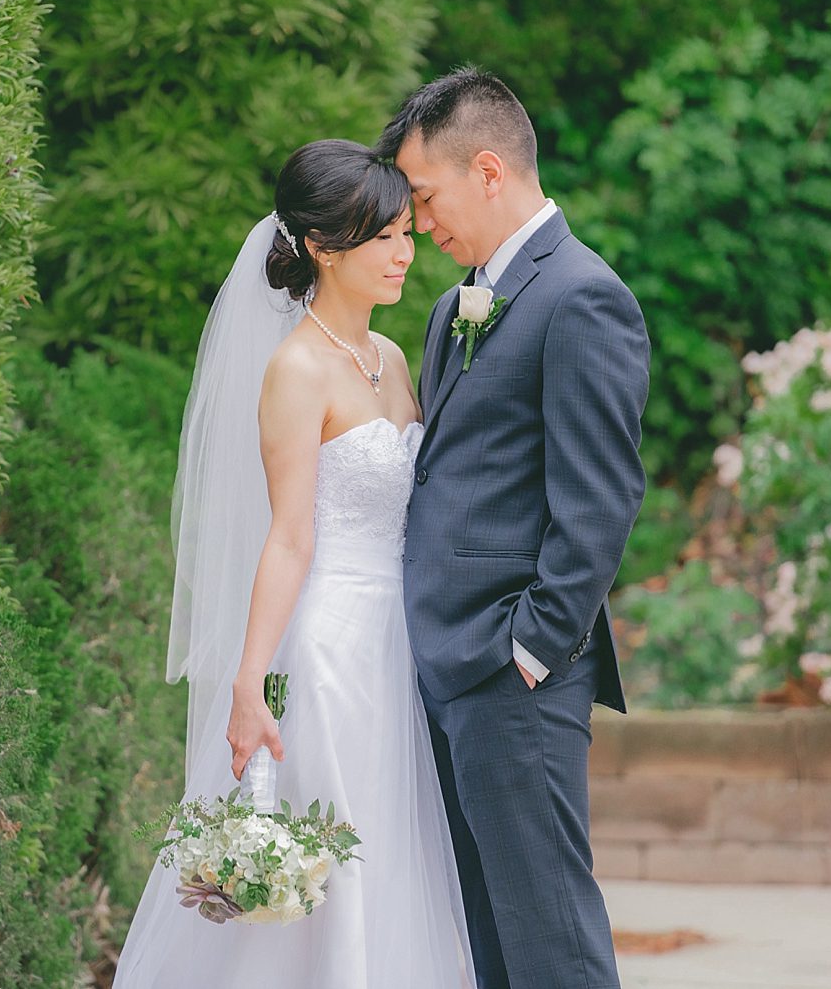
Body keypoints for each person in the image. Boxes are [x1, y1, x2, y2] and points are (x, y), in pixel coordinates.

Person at [112, 139, 474, 988]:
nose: (403, 252)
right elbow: (288, 536)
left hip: (403, 644)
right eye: (380, 237)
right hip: (330, 650)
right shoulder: (296, 370)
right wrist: (248, 681)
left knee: (392, 850)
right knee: (334, 852)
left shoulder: (389, 358)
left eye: (405, 233)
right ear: (320, 246)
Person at [376, 68, 651, 989]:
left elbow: (600, 499)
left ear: (487, 169)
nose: (417, 223)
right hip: (447, 669)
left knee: (549, 939)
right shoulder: (453, 308)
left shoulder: (582, 296)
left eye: (423, 196)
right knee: (486, 938)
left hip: (513, 675)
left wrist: (530, 646)